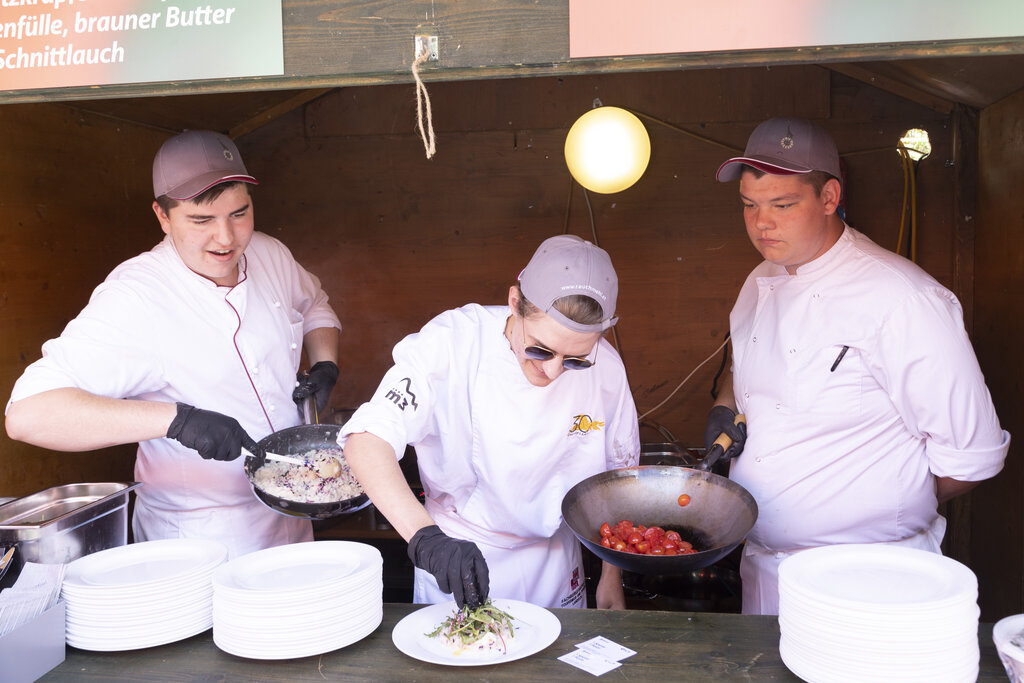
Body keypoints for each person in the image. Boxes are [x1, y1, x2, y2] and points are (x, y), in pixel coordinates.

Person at [704, 116, 1011, 614]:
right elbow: (747, 370)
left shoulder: (904, 300)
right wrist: (724, 406)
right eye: (749, 205)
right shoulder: (759, 281)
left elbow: (972, 457)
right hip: (765, 573)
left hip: (870, 582)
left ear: (829, 197)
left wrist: (880, 504)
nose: (762, 222)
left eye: (783, 205)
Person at [5, 130, 341, 559]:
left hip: (292, 515)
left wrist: (326, 364)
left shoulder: (269, 254)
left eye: (239, 213)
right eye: (201, 221)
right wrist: (176, 421)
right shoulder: (135, 297)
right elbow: (29, 414)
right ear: (163, 217)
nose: (226, 238)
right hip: (198, 541)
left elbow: (315, 305)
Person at [339, 234, 640, 610]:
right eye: (539, 349)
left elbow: (619, 478)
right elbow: (366, 440)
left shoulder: (607, 369)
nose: (552, 371)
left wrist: (612, 577)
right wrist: (427, 541)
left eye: (575, 359)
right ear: (514, 302)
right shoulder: (453, 343)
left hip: (556, 564)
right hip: (458, 559)